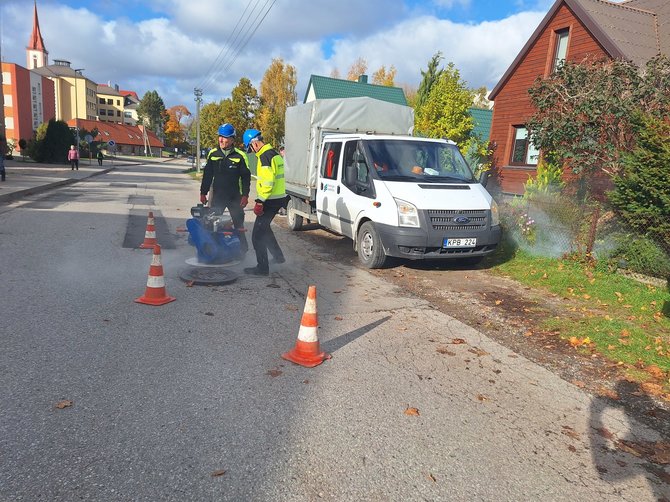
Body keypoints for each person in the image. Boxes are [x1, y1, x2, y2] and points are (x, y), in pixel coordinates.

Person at [199, 123, 251, 254]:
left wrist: (245, 195)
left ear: (232, 139)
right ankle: (214, 250)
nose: (221, 140)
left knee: (238, 224)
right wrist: (203, 192)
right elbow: (207, 175)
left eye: (225, 137)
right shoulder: (213, 153)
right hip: (218, 196)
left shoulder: (240, 156)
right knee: (213, 224)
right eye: (220, 136)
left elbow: (246, 177)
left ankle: (242, 250)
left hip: (234, 197)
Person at [242, 128, 286, 276]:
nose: (252, 151)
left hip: (269, 200)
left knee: (257, 235)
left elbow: (267, 182)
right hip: (278, 198)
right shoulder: (274, 153)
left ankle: (262, 268)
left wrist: (260, 201)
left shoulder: (264, 157)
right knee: (265, 228)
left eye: (250, 148)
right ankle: (278, 257)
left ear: (254, 144)